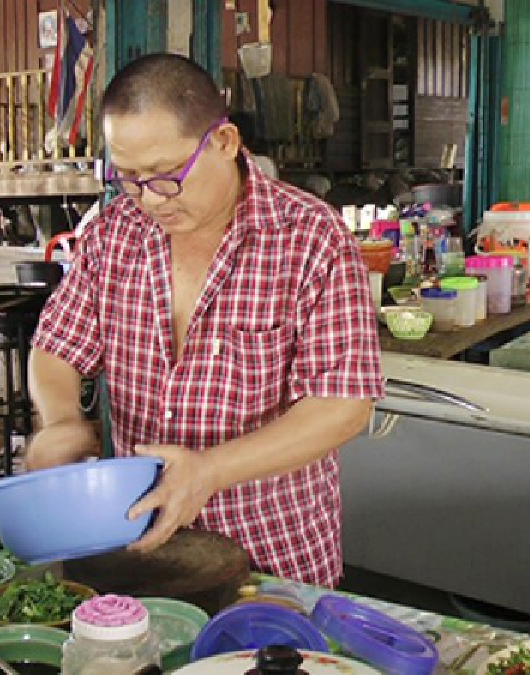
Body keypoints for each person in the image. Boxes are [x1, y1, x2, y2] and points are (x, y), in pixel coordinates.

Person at [26, 54, 385, 588]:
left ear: (224, 142)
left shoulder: (311, 238)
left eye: (167, 175)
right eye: (129, 177)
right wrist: (60, 422)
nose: (150, 199)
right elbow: (56, 347)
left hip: (270, 555)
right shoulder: (114, 232)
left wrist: (210, 470)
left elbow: (343, 405)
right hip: (139, 545)